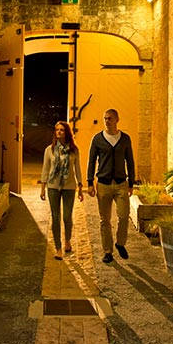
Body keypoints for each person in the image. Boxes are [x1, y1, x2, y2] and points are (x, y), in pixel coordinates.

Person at [86, 108, 135, 263]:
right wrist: (89, 183)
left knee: (123, 216)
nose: (107, 121)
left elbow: (130, 161)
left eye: (109, 118)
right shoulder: (97, 139)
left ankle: (120, 243)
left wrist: (131, 183)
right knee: (104, 219)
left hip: (121, 183)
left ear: (117, 120)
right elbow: (92, 161)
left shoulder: (125, 139)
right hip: (103, 184)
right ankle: (107, 251)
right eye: (105, 118)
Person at [40, 121, 84, 260]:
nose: (59, 132)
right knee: (55, 216)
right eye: (57, 130)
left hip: (69, 187)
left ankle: (68, 240)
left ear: (67, 132)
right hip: (53, 186)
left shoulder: (74, 150)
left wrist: (81, 187)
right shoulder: (49, 150)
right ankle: (58, 248)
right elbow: (46, 169)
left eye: (62, 130)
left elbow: (77, 169)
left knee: (67, 216)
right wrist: (42, 188)